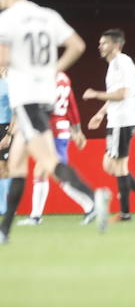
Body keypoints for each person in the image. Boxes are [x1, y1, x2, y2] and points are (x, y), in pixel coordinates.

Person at [0, 0, 109, 241]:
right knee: (16, 164)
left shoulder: (8, 20)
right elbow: (77, 45)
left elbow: (3, 59)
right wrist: (53, 69)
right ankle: (4, 231)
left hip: (27, 99)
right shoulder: (47, 15)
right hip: (45, 97)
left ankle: (94, 199)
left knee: (48, 161)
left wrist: (16, 69)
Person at [83, 29, 135, 222]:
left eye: (104, 43)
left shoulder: (121, 63)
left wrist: (96, 94)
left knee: (118, 167)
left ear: (115, 45)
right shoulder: (115, 65)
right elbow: (116, 94)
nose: (100, 46)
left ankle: (126, 212)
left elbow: (123, 94)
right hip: (118, 120)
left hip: (122, 121)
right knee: (112, 165)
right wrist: (100, 113)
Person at [21, 69, 87, 226]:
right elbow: (71, 105)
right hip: (62, 128)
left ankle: (90, 205)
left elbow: (43, 108)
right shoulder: (63, 77)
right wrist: (77, 130)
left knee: (58, 174)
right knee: (41, 172)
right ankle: (35, 217)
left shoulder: (44, 78)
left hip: (52, 130)